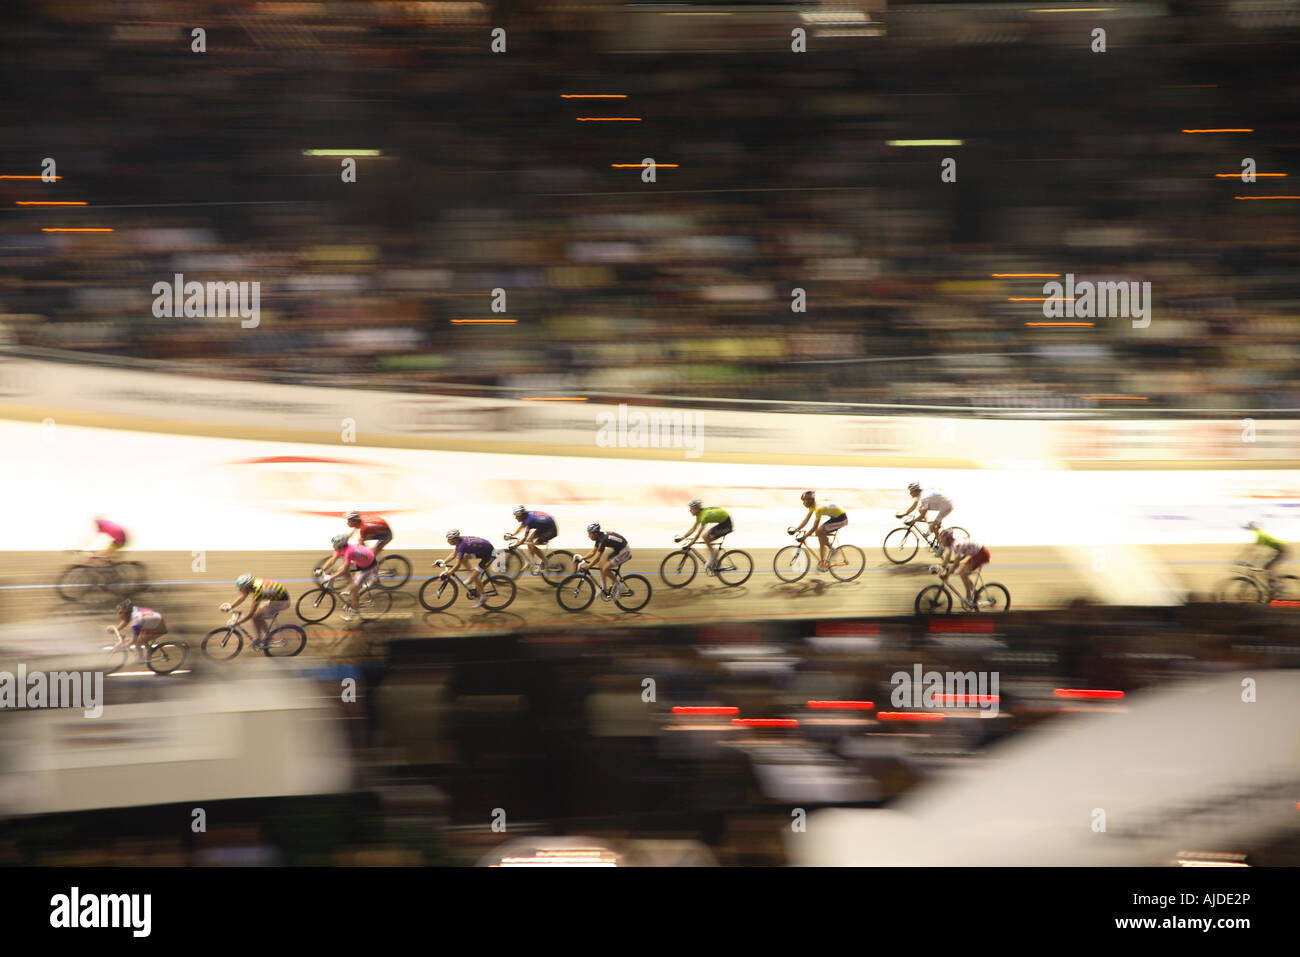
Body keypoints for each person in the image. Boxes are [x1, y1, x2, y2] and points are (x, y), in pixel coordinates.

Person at [319, 532, 377, 619]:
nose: (333, 547)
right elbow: (332, 560)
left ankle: (355, 610)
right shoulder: (342, 548)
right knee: (340, 570)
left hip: (368, 566)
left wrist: (331, 577)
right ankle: (354, 585)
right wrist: (322, 569)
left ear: (341, 546)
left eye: (335, 545)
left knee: (353, 588)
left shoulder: (349, 552)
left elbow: (345, 570)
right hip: (363, 560)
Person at [222, 573, 290, 647]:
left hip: (281, 602)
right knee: (258, 615)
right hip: (276, 598)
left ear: (247, 587)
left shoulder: (258, 591)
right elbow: (243, 596)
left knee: (255, 617)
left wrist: (237, 623)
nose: (240, 590)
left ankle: (260, 638)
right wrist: (231, 606)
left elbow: (250, 614)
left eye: (241, 588)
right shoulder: (253, 584)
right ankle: (267, 635)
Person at [788, 490, 848, 571]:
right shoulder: (813, 505)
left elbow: (815, 527)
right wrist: (796, 529)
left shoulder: (818, 508)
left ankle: (833, 550)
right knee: (820, 534)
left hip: (841, 519)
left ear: (809, 501)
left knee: (819, 531)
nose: (803, 503)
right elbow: (806, 519)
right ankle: (823, 563)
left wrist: (805, 536)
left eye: (804, 501)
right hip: (836, 517)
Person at [937, 528, 992, 610]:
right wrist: (939, 568)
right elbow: (946, 560)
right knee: (962, 572)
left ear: (948, 539)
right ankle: (976, 593)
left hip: (982, 554)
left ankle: (969, 596)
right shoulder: (949, 545)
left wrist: (947, 575)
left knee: (962, 573)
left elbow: (956, 564)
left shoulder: (957, 545)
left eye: (942, 539)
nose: (941, 541)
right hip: (976, 554)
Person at [441, 530, 496, 608]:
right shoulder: (460, 541)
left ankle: (483, 597)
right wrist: (443, 562)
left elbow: (457, 566)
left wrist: (447, 574)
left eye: (449, 539)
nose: (447, 541)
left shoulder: (462, 546)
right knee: (464, 558)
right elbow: (453, 555)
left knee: (475, 576)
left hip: (489, 555)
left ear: (454, 539)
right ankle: (471, 577)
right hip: (483, 551)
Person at [677, 499, 732, 574]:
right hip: (722, 522)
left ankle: (713, 557)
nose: (690, 510)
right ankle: (714, 559)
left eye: (691, 509)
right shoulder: (699, 515)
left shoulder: (704, 516)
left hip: (727, 524)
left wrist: (690, 543)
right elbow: (693, 529)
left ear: (696, 509)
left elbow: (698, 534)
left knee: (705, 537)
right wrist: (682, 538)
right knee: (706, 538)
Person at [578, 523, 632, 600]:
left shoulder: (603, 540)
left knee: (605, 568)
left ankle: (619, 586)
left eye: (589, 533)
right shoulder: (599, 537)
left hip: (625, 552)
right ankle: (603, 587)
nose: (588, 535)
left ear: (595, 533)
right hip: (619, 550)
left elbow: (597, 558)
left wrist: (587, 567)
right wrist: (582, 558)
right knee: (601, 565)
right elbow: (592, 553)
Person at [896, 482, 954, 546]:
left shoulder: (925, 497)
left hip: (947, 505)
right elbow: (913, 507)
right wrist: (903, 515)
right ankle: (931, 525)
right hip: (942, 502)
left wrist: (913, 521)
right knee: (920, 509)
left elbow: (922, 515)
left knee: (934, 526)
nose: (910, 493)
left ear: (916, 491)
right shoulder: (919, 493)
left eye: (911, 491)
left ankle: (941, 547)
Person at [508, 506, 559, 575]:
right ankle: (531, 563)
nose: (515, 518)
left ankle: (547, 563)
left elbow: (524, 539)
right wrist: (512, 535)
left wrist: (516, 545)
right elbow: (520, 528)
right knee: (529, 541)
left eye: (516, 516)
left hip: (551, 530)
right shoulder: (526, 516)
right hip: (544, 527)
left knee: (532, 545)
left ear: (521, 516)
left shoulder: (529, 521)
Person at [1243, 522, 1288, 592]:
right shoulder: (1260, 534)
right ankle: (1273, 585)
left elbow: (1257, 551)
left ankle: (1276, 586)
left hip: (1281, 550)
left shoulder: (1260, 535)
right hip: (1278, 550)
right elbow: (1253, 549)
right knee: (1266, 568)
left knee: (1267, 567)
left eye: (1251, 528)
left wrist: (1250, 561)